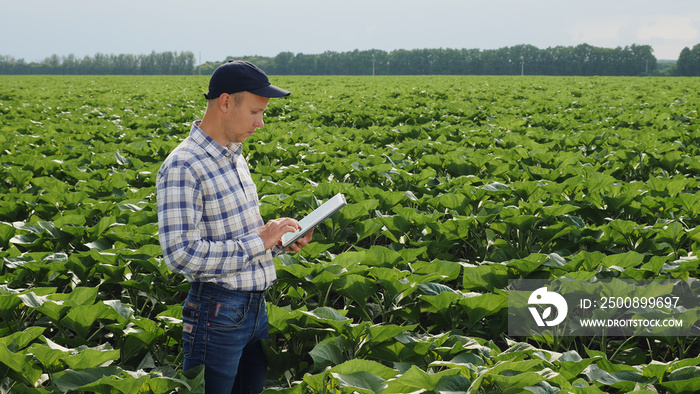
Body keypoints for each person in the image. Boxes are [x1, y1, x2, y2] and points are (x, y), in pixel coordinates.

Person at [156, 60, 312, 393]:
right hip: (217, 313)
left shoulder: (234, 155)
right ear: (226, 103)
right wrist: (261, 240)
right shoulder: (184, 165)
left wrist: (280, 240)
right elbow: (181, 254)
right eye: (256, 112)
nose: (262, 122)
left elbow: (241, 236)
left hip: (255, 310)